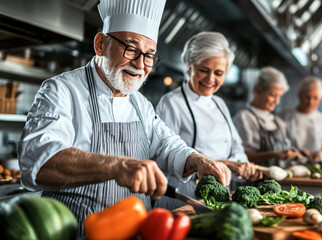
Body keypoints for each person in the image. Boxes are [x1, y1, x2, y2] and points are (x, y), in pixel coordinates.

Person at [18, 0, 231, 236]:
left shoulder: (139, 103)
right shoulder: (62, 90)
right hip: (78, 233)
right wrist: (117, 166)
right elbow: (37, 161)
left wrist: (198, 160)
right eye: (131, 49)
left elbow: (167, 145)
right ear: (100, 44)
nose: (140, 65)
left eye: (149, 55)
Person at [154, 32, 262, 210]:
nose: (210, 79)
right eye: (204, 70)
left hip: (221, 193)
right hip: (183, 196)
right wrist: (221, 165)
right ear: (190, 65)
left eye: (218, 73)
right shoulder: (171, 102)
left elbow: (236, 146)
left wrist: (240, 166)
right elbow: (164, 155)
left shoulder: (219, 103)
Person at [233, 67, 302, 167]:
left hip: (278, 180)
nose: (277, 101)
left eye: (279, 96)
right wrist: (274, 154)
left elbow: (285, 150)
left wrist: (294, 153)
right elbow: (242, 156)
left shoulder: (277, 121)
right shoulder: (244, 118)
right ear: (257, 91)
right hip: (254, 181)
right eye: (273, 95)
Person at [280, 77, 322, 162]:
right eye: (307, 97)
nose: (310, 102)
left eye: (315, 98)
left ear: (319, 99)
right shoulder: (284, 116)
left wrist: (321, 152)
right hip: (290, 163)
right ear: (300, 96)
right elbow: (279, 142)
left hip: (316, 163)